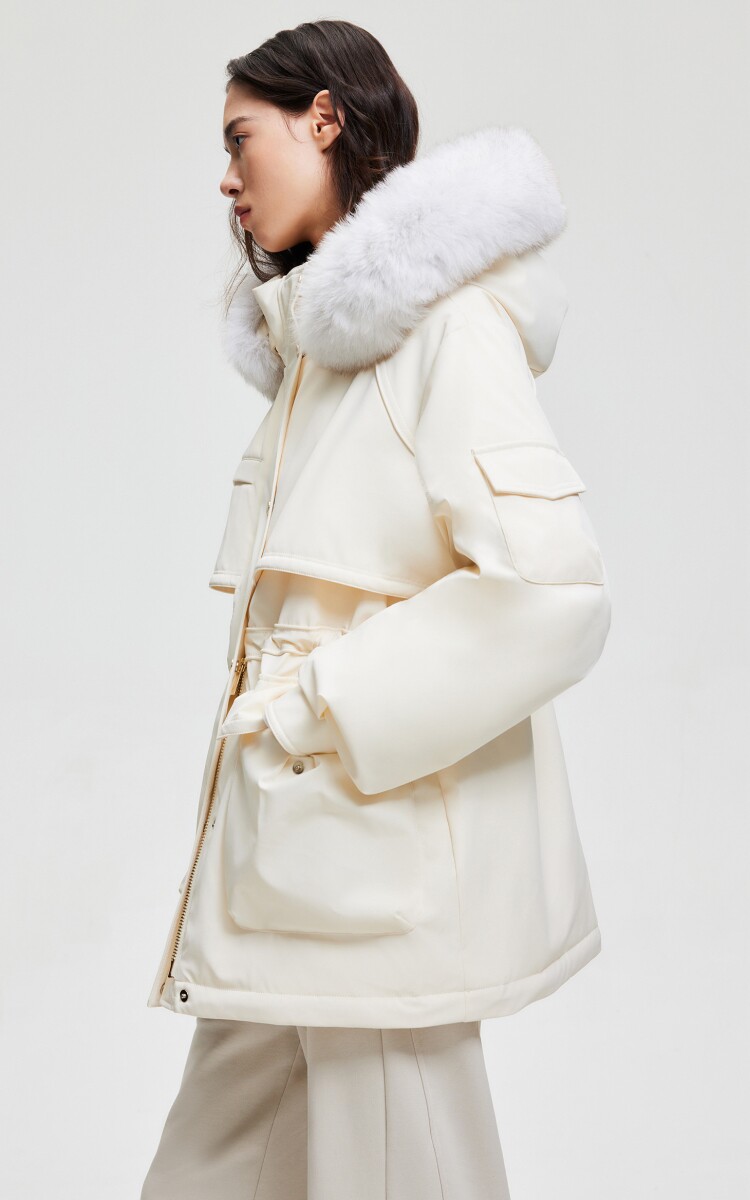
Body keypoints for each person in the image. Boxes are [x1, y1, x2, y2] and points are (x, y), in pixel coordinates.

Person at [140, 18, 612, 1200]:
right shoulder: (323, 357)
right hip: (290, 878)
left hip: (373, 891)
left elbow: (551, 591)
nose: (227, 177)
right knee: (204, 1174)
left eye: (242, 139)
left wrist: (313, 710)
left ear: (325, 120)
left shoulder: (448, 328)